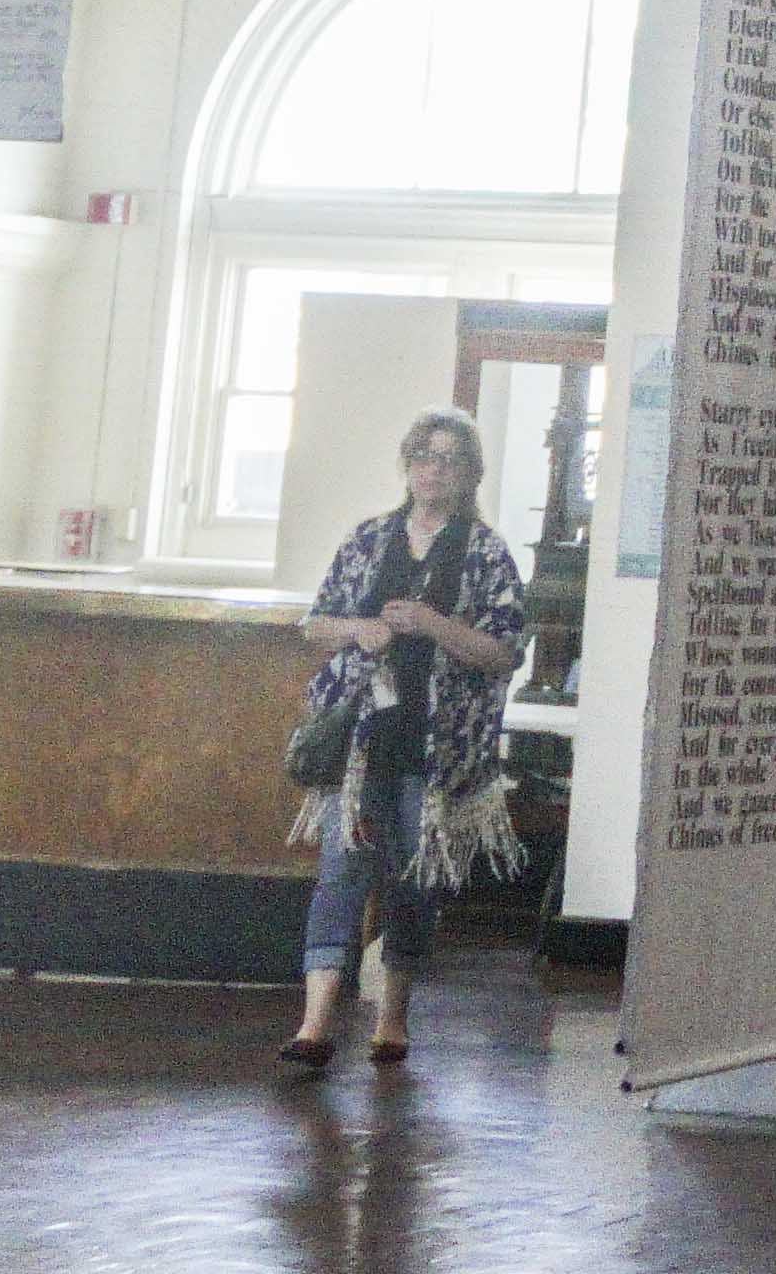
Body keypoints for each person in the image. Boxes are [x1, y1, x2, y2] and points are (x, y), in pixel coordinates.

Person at [279, 408, 527, 1071]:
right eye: (423, 455)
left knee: (413, 883)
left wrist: (432, 624)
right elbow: (315, 623)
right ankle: (315, 1024)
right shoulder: (369, 539)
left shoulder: (486, 553)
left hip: (436, 747)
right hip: (361, 743)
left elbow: (504, 652)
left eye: (449, 459)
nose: (433, 469)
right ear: (407, 465)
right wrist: (359, 629)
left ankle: (392, 1014)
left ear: (470, 474)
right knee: (341, 873)